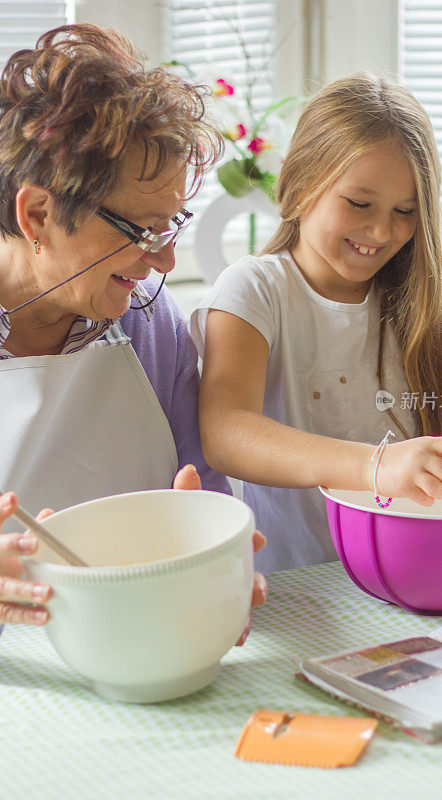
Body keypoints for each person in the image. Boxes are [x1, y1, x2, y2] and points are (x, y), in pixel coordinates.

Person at [191, 73, 442, 574]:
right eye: (359, 203)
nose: (381, 231)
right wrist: (376, 466)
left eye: (405, 211)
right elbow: (225, 432)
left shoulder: (431, 289)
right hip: (300, 586)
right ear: (301, 181)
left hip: (416, 571)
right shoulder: (254, 290)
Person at [0, 24, 266, 636]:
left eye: (172, 225)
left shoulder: (149, 321)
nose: (165, 261)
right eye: (143, 230)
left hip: (129, 645)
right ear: (39, 213)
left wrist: (219, 565)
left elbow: (208, 501)